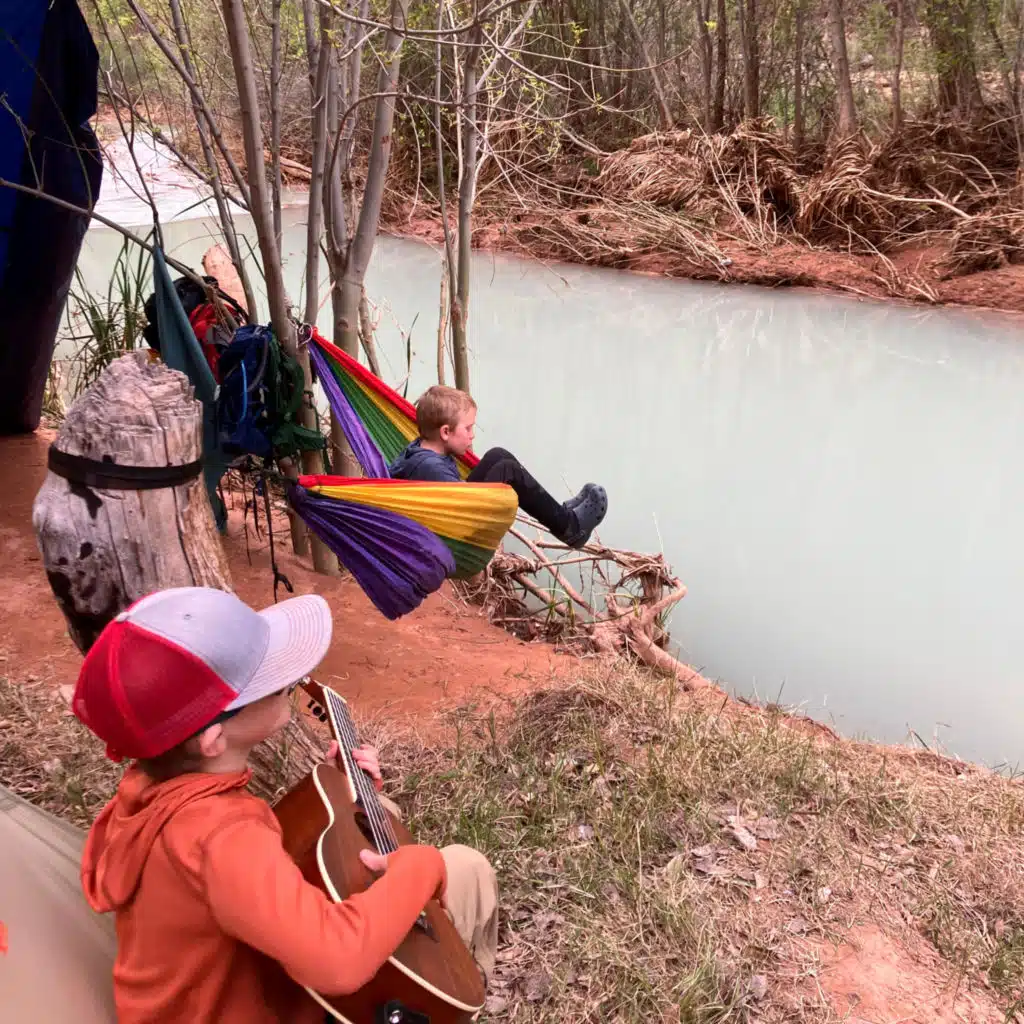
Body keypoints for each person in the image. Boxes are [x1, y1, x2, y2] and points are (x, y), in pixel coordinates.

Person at [72, 586, 498, 1024]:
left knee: (384, 812)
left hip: (225, 992)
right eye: (269, 680)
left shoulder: (150, 789)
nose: (288, 680)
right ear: (213, 740)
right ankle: (457, 999)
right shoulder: (223, 837)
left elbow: (245, 876)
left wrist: (340, 788)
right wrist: (422, 867)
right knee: (465, 868)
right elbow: (338, 960)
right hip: (272, 1005)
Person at [390, 385, 608, 548]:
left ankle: (561, 515)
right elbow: (457, 515)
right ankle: (570, 527)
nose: (472, 435)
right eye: (468, 428)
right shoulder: (431, 467)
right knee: (503, 463)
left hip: (449, 517)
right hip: (455, 533)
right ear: (445, 432)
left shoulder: (421, 449)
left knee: (498, 459)